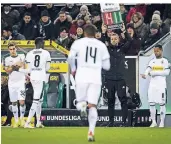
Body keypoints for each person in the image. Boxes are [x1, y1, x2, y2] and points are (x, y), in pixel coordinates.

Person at [68, 24, 110, 142]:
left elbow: (71, 57)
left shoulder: (78, 43)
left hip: (81, 76)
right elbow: (107, 66)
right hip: (95, 77)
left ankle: (82, 107)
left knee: (80, 101)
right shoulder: (101, 45)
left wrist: (74, 68)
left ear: (85, 33)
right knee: (92, 105)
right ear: (95, 33)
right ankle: (91, 131)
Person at [12, 37, 51, 128]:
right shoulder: (46, 53)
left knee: (39, 101)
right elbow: (48, 68)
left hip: (33, 77)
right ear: (42, 44)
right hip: (40, 77)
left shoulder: (29, 53)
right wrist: (40, 70)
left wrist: (19, 70)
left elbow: (28, 69)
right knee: (36, 100)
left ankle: (38, 122)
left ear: (35, 44)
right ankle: (28, 122)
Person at [104, 23, 132, 127]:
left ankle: (124, 122)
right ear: (110, 40)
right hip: (110, 78)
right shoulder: (107, 50)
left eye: (116, 39)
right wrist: (103, 32)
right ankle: (111, 122)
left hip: (120, 79)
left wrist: (124, 31)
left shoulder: (122, 48)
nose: (114, 40)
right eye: (112, 39)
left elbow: (130, 41)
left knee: (123, 99)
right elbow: (101, 43)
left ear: (119, 40)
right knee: (110, 100)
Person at [141, 44, 170, 128]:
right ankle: (153, 122)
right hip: (152, 86)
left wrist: (154, 73)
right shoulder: (152, 61)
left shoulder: (165, 61)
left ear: (161, 50)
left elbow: (167, 72)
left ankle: (162, 122)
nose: (156, 53)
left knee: (162, 104)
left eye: (157, 51)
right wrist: (145, 74)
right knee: (151, 103)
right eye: (155, 51)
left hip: (161, 86)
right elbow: (148, 69)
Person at [4, 42, 26, 128]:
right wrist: (15, 65)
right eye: (10, 49)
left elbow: (23, 66)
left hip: (21, 82)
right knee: (13, 102)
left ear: (16, 48)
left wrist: (12, 66)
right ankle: (16, 121)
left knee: (22, 101)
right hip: (12, 83)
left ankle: (22, 119)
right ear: (8, 50)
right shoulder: (6, 58)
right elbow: (7, 71)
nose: (12, 51)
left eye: (13, 49)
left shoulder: (22, 56)